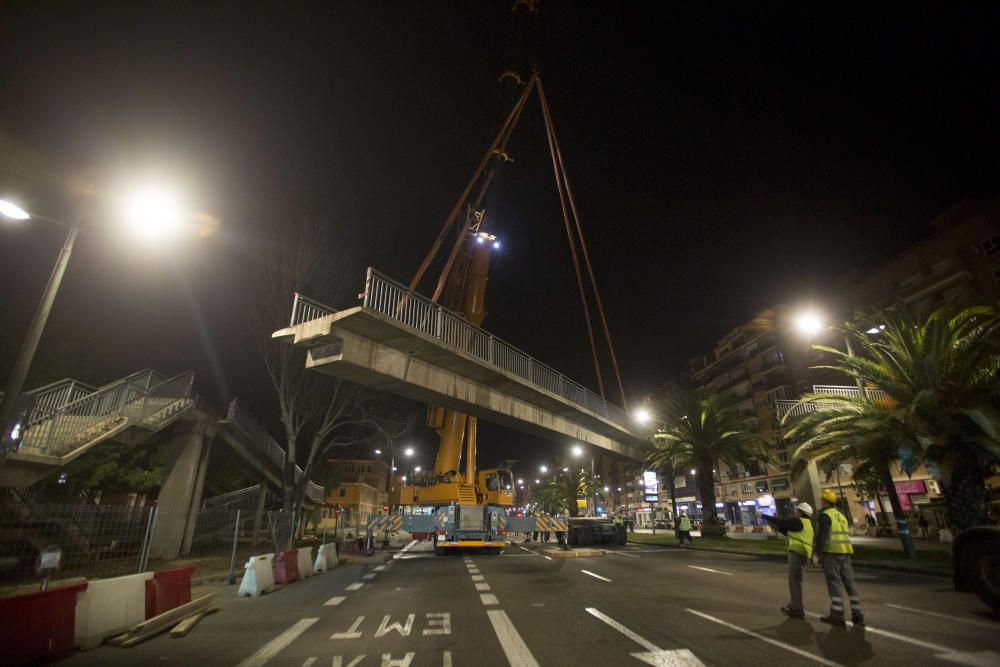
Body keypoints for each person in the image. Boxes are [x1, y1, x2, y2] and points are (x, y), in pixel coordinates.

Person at [815, 489, 864, 626]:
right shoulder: (841, 515)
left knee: (834, 582)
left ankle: (837, 614)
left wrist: (818, 552)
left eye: (822, 500)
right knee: (850, 583)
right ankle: (857, 613)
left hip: (831, 553)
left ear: (825, 501)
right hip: (845, 552)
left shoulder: (825, 515)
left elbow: (823, 535)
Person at [762, 502, 815, 619]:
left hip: (798, 553)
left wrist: (764, 516)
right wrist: (774, 525)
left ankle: (796, 607)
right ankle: (796, 605)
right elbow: (787, 531)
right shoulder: (806, 524)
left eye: (797, 511)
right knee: (797, 581)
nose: (795, 513)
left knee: (794, 581)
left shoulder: (798, 521)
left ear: (801, 513)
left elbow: (783, 523)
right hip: (804, 554)